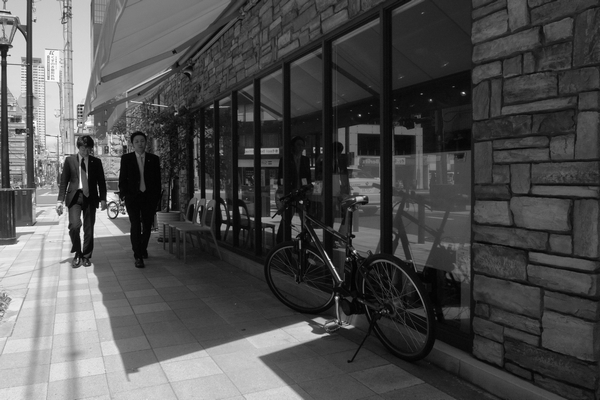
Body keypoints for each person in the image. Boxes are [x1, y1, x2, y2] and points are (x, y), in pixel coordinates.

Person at [56, 135, 107, 268]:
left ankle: (86, 256)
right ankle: (78, 252)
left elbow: (101, 182)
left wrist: (103, 199)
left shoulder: (96, 162)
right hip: (75, 197)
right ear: (78, 147)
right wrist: (59, 200)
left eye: (88, 148)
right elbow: (64, 182)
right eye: (83, 148)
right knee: (74, 226)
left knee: (89, 228)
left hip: (90, 197)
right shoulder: (70, 160)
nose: (86, 151)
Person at [119, 131, 162, 268]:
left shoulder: (153, 159)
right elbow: (122, 179)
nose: (140, 144)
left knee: (148, 226)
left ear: (146, 142)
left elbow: (157, 181)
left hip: (149, 198)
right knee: (135, 225)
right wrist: (124, 195)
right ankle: (138, 255)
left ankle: (143, 248)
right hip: (132, 198)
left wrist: (156, 198)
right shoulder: (126, 158)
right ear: (132, 144)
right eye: (136, 141)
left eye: (142, 141)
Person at [276, 135, 312, 243]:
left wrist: (308, 187)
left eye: (302, 145)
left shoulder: (305, 160)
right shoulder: (286, 159)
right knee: (286, 218)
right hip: (291, 193)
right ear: (293, 146)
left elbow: (308, 176)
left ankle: (306, 241)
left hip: (302, 193)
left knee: (305, 219)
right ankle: (281, 241)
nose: (301, 147)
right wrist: (285, 189)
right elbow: (281, 176)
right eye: (298, 145)